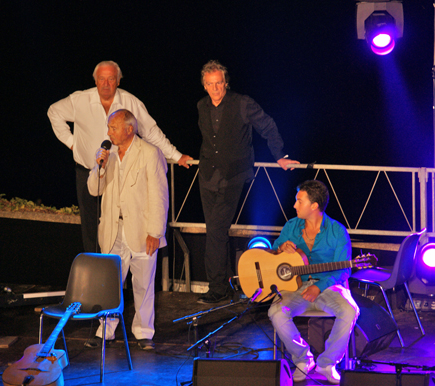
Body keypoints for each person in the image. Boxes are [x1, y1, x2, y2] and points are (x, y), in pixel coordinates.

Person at [48, 61, 192, 253]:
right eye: (101, 79)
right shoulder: (79, 100)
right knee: (91, 228)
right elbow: (54, 112)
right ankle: (95, 276)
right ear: (95, 80)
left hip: (120, 171)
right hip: (89, 171)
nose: (106, 83)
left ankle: (123, 273)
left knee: (121, 224)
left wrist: (176, 155)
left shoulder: (130, 102)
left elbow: (150, 132)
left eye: (111, 79)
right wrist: (73, 144)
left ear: (118, 81)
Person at [196, 60, 299, 304]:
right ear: (204, 85)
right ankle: (224, 286)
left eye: (218, 83)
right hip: (207, 176)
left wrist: (280, 156)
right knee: (215, 232)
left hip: (233, 176)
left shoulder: (242, 103)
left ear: (225, 82)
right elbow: (209, 140)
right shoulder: (201, 106)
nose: (215, 89)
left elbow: (268, 125)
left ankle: (218, 288)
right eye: (210, 84)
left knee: (216, 231)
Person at [87, 109, 169, 351]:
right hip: (114, 229)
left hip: (143, 230)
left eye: (113, 128)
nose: (109, 132)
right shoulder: (108, 156)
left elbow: (159, 195)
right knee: (110, 282)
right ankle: (106, 331)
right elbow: (94, 189)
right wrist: (98, 166)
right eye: (109, 128)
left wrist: (155, 232)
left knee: (143, 283)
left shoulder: (150, 153)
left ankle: (144, 333)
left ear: (129, 129)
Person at [268, 180, 359, 384]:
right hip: (295, 286)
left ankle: (327, 363)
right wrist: (281, 247)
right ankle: (303, 360)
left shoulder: (337, 231)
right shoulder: (291, 226)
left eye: (299, 201)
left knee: (350, 311)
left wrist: (319, 286)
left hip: (329, 286)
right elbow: (272, 252)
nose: (294, 205)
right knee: (275, 312)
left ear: (314, 206)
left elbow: (343, 269)